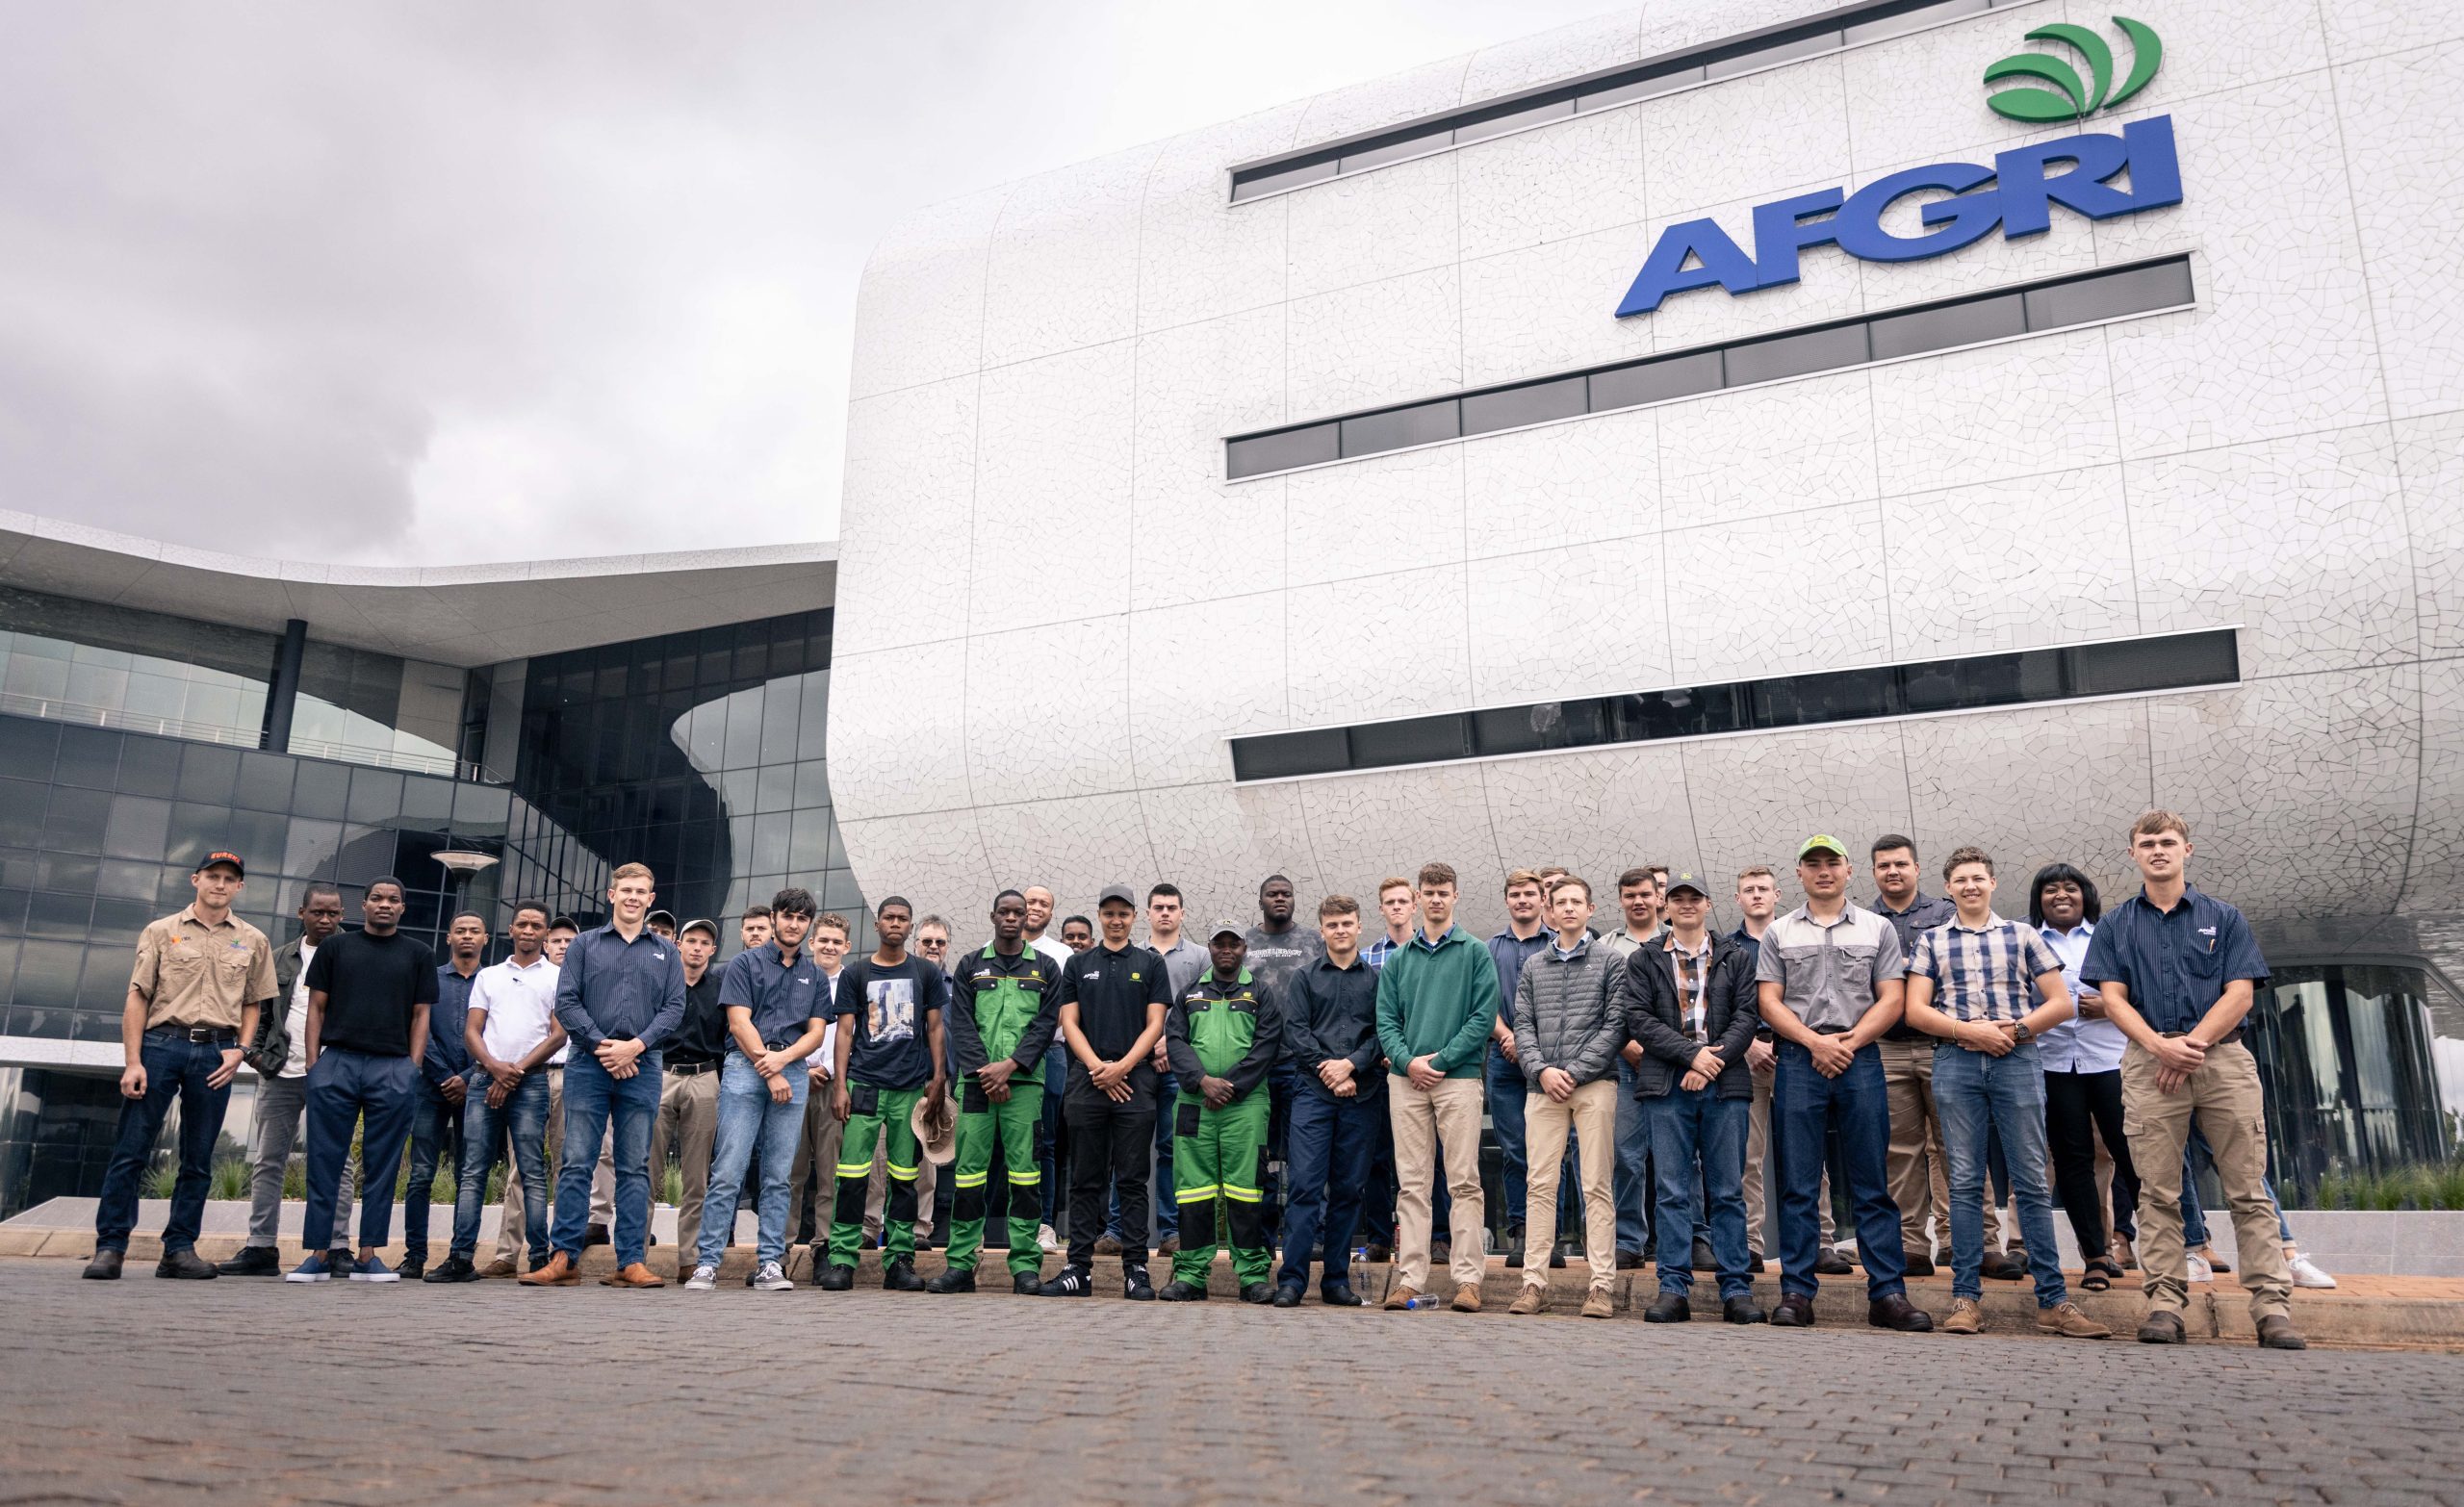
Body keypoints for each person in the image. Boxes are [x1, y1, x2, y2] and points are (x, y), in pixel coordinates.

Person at [2082, 811, 2303, 1349]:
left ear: (2188, 850)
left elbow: (2241, 994)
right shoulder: (2115, 924)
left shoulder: (2223, 917)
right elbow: (2111, 998)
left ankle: (2271, 1309)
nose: (2158, 850)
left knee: (2248, 1190)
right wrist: (2160, 1046)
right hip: (2148, 1063)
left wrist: (2191, 1046)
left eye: (2167, 842)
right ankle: (2164, 1304)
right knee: (2157, 1192)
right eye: (2146, 843)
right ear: (2133, 853)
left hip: (2221, 1062)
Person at [1903, 849, 2110, 1339]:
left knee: (2032, 1182)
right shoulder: (1931, 941)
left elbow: (2060, 1003)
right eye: (1960, 879)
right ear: (1948, 887)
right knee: (1966, 1183)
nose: (1969, 886)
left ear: (1993, 883)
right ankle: (1966, 1300)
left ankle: (2054, 1302)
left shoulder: (2023, 936)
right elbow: (1915, 1010)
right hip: (1956, 1061)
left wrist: (2014, 1032)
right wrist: (1968, 1033)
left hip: (2017, 1060)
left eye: (1978, 878)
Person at [1756, 836, 1932, 1331]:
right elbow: (1769, 1002)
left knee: (1873, 1182)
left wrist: (1847, 1044)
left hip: (1861, 1059)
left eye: (1832, 862)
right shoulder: (1779, 932)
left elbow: (1892, 998)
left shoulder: (1877, 929)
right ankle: (1796, 1293)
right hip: (1797, 1060)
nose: (1823, 871)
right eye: (1813, 864)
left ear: (1848, 870)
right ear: (1800, 873)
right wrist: (1815, 1043)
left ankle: (1888, 1295)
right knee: (1798, 1184)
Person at [85, 850, 276, 1282]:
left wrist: (240, 1050)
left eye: (230, 878)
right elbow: (138, 996)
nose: (220, 884)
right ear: (196, 880)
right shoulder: (160, 931)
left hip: (216, 1054)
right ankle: (110, 1247)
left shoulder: (252, 940)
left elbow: (254, 1004)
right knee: (131, 1150)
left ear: (239, 887)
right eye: (213, 876)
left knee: (199, 1157)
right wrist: (132, 1061)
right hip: (161, 1046)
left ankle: (179, 1249)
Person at [521, 862, 686, 1290]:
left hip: (643, 1065)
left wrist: (635, 1046)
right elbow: (568, 1003)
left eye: (641, 891)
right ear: (611, 895)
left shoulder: (667, 951)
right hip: (588, 1064)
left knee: (634, 1167)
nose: (633, 897)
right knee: (576, 1162)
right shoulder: (584, 946)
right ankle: (564, 1257)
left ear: (651, 899)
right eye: (625, 889)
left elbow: (673, 1009)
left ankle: (629, 1262)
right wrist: (603, 1046)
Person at [1620, 872, 1764, 1324]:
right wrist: (1690, 1057)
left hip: (1725, 1087)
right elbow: (1638, 1019)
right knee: (1672, 1190)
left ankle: (1736, 1289)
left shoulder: (1736, 957)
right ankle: (1673, 1287)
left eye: (1694, 898)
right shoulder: (1644, 960)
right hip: (1667, 1087)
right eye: (1677, 898)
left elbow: (1747, 1015)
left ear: (1707, 904)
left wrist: (1710, 1063)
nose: (1686, 905)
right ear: (1667, 905)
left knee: (1726, 1190)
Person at [288, 877, 438, 1284]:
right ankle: (318, 1254)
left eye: (393, 899)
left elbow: (421, 1013)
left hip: (392, 1066)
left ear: (402, 908)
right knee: (323, 1160)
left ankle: (369, 1254)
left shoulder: (419, 953)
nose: (384, 905)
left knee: (383, 1164)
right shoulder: (335, 948)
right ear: (364, 905)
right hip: (337, 1062)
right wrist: (315, 1065)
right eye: (377, 898)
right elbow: (316, 1008)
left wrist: (413, 1067)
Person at [686, 888, 832, 1293]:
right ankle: (707, 1263)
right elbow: (738, 1022)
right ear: (774, 918)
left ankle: (771, 1263)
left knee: (778, 1176)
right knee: (728, 1170)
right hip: (746, 1070)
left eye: (802, 918)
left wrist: (783, 1064)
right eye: (787, 916)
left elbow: (817, 1032)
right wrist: (770, 1069)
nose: (793, 924)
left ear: (808, 924)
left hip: (793, 1071)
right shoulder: (744, 964)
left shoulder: (815, 975)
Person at [1373, 862, 1499, 1314]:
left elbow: (1483, 1017)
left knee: (1464, 1181)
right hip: (1406, 1083)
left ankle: (1468, 1281)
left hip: (1458, 1080)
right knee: (1412, 1185)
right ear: (1419, 897)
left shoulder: (1475, 952)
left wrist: (1440, 1062)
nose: (1436, 899)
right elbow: (1385, 1020)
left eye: (1444, 892)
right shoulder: (1400, 959)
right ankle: (1410, 1278)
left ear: (1456, 896)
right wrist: (1409, 1062)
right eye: (1429, 892)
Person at [218, 883, 356, 1276]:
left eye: (333, 914)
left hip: (333, 1071)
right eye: (318, 913)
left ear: (342, 915)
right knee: (268, 1161)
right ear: (302, 913)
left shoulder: (355, 954)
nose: (326, 920)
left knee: (337, 1162)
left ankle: (337, 1246)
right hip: (280, 1071)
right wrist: (258, 1056)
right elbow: (258, 1010)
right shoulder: (278, 958)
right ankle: (261, 1247)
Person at [931, 890, 1063, 1295]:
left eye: (1017, 913)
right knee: (969, 1176)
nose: (1011, 918)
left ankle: (1025, 1265)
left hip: (1024, 1084)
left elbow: (1045, 1025)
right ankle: (961, 1265)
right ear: (992, 916)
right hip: (976, 1085)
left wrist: (1011, 1067)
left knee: (1025, 1176)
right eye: (1003, 912)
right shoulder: (972, 964)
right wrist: (985, 1072)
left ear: (1027, 918)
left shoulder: (1045, 968)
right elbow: (962, 1023)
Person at [1044, 884, 1170, 1299]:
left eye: (1123, 913)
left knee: (1133, 1180)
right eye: (1109, 913)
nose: (1116, 920)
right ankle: (1078, 1268)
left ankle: (1136, 1268)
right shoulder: (1079, 964)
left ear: (1134, 917)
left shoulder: (1150, 964)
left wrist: (1123, 1067)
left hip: (1135, 1081)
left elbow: (1155, 1024)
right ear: (1099, 916)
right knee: (1084, 1180)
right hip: (1088, 1081)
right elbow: (1069, 1022)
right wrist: (1099, 1068)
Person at [428, 902, 566, 1282]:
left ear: (544, 932)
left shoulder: (558, 976)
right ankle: (460, 1258)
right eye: (522, 923)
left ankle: (539, 1259)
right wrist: (494, 1070)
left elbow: (559, 1035)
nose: (528, 930)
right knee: (473, 1170)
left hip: (532, 1082)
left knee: (534, 1172)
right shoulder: (489, 976)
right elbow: (472, 1031)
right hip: (482, 1079)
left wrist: (514, 1073)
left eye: (536, 925)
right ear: (510, 929)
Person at [816, 896, 947, 1290]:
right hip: (865, 1084)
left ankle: (900, 1261)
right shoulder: (857, 973)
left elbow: (936, 1028)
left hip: (909, 1088)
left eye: (902, 918)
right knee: (852, 1176)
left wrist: (938, 1078)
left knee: (905, 1179)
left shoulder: (925, 972)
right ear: (877, 924)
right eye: (888, 917)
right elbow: (843, 1032)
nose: (895, 923)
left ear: (910, 926)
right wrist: (840, 1086)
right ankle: (841, 1260)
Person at [1505, 876, 1623, 1319]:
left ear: (1591, 909)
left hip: (1593, 1086)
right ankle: (1534, 1284)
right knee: (1540, 1185)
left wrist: (1573, 1072)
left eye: (1578, 901)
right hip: (1543, 1088)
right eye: (1562, 903)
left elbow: (1615, 1026)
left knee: (1596, 1185)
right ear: (1550, 913)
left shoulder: (1612, 962)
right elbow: (1523, 1025)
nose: (1570, 908)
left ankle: (1601, 1286)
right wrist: (1541, 1070)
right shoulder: (1534, 966)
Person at [1158, 921, 1284, 1303]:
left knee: (1246, 1191)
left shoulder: (1261, 993)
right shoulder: (1190, 994)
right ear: (1209, 948)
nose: (1226, 949)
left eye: (1233, 943)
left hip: (1244, 1106)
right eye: (1219, 943)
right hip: (1195, 1104)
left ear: (1244, 948)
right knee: (1193, 1192)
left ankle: (1252, 1276)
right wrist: (1201, 1081)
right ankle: (1192, 1275)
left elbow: (1266, 1046)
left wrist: (1227, 1086)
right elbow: (1175, 1040)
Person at [2028, 863, 2139, 1292]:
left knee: (2133, 1156)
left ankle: (2171, 1255)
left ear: (2084, 894)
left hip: (2112, 1060)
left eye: (2069, 888)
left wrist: (2111, 1005)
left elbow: (2141, 988)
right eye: (2050, 889)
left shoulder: (2110, 935)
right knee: (2073, 1161)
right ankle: (2095, 1256)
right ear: (2039, 899)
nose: (2060, 895)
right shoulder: (2029, 940)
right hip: (2055, 1064)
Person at [1732, 866, 1843, 1275]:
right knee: (1747, 1156)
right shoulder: (1728, 947)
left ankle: (1823, 1242)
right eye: (1749, 890)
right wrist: (1749, 1046)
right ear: (1738, 899)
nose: (1757, 895)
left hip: (1798, 1054)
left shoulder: (1800, 936)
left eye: (1764, 889)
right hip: (1746, 1058)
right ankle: (1748, 1245)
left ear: (1778, 894)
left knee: (1809, 1153)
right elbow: (1726, 1009)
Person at [1275, 895, 1381, 1308]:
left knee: (1348, 1191)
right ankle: (1293, 1281)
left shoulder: (1375, 981)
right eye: (1332, 925)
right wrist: (1331, 1071)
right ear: (1321, 930)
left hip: (1362, 1095)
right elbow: (1296, 1031)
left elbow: (1382, 1032)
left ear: (1359, 928)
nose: (1340, 930)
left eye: (1347, 924)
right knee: (1303, 1187)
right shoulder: (1303, 978)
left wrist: (1351, 1066)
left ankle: (1336, 1281)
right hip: (1312, 1096)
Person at [488, 914, 607, 1276]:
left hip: (571, 1075)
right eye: (556, 940)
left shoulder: (582, 979)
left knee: (568, 1164)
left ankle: (559, 1251)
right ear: (545, 943)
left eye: (570, 941)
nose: (563, 946)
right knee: (519, 1169)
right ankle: (508, 1253)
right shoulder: (521, 977)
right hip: (528, 1076)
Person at [1868, 834, 1960, 1277]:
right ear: (1873, 872)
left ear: (1917, 868)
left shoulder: (1945, 913)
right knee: (1900, 1151)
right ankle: (1910, 1245)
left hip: (1943, 1046)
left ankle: (1967, 1240)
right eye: (1884, 866)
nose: (1893, 872)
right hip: (1887, 1049)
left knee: (1957, 1146)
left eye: (1901, 864)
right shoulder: (1864, 921)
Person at [1100, 884, 1203, 1259]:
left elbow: (1201, 1012)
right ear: (1146, 913)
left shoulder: (1200, 957)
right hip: (1136, 1065)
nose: (1165, 913)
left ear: (1182, 913)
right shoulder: (1131, 954)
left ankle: (1171, 1231)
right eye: (1158, 907)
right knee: (1127, 1149)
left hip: (1179, 1068)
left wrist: (1170, 1046)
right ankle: (1116, 1230)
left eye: (1171, 907)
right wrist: (1146, 1049)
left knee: (1171, 1149)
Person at [400, 911, 485, 1281]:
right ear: (448, 937)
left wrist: (467, 1077)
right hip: (429, 1089)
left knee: (471, 1174)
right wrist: (445, 1076)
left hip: (478, 1088)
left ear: (485, 938)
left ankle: (459, 1255)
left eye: (475, 931)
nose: (467, 936)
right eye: (460, 931)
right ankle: (414, 1255)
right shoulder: (429, 978)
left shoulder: (494, 981)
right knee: (420, 1174)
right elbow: (418, 1029)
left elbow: (497, 1034)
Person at [868, 914, 951, 1251]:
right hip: (891, 1080)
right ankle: (870, 1227)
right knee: (878, 1158)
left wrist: (943, 1081)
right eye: (927, 941)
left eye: (940, 942)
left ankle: (919, 1230)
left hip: (933, 1085)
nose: (933, 947)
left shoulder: (957, 987)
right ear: (915, 942)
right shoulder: (899, 978)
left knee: (925, 1165)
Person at [1485, 869, 1553, 1268]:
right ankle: (1522, 1233)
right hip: (1504, 1058)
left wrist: (1531, 1046)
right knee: (1514, 1151)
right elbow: (1480, 1003)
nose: (1522, 900)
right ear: (1507, 900)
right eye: (1515, 894)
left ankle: (1552, 1237)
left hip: (1551, 1061)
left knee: (1551, 1151)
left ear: (1542, 898)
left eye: (1529, 893)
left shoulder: (1558, 942)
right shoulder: (1490, 948)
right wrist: (1508, 1036)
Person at [654, 917, 727, 1279]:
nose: (697, 947)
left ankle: (689, 1260)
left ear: (713, 950)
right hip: (661, 1074)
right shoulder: (661, 982)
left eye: (704, 943)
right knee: (645, 1171)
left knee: (696, 1177)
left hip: (704, 1077)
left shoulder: (721, 987)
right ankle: (634, 1257)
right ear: (678, 944)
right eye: (691, 940)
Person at [1600, 866, 1664, 1269]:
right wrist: (1626, 1046)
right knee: (1626, 1155)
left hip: (1673, 1063)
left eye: (1645, 894)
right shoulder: (1605, 947)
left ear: (1659, 897)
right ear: (1621, 900)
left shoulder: (1678, 940)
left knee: (1685, 1159)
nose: (1638, 901)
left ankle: (1693, 1237)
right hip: (1624, 1065)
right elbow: (1599, 1006)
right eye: (1629, 895)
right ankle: (1628, 1239)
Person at [1358, 876, 1417, 1262]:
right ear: (1380, 909)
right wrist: (1385, 1053)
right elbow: (1368, 1017)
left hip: (1422, 1069)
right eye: (1389, 902)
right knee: (1378, 1159)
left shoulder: (1428, 952)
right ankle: (1379, 1237)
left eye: (1402, 901)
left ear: (1414, 905)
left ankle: (1434, 1238)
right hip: (1379, 1069)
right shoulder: (1367, 959)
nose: (1396, 907)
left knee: (1427, 1160)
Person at [787, 912, 849, 1246]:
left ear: (847, 947)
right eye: (823, 940)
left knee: (830, 1172)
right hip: (792, 1080)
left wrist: (827, 1068)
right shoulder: (792, 977)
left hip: (831, 1086)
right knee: (789, 1174)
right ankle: (779, 1247)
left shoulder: (853, 985)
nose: (829, 946)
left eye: (836, 942)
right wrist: (801, 1068)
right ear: (811, 942)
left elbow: (854, 1036)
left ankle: (825, 1244)